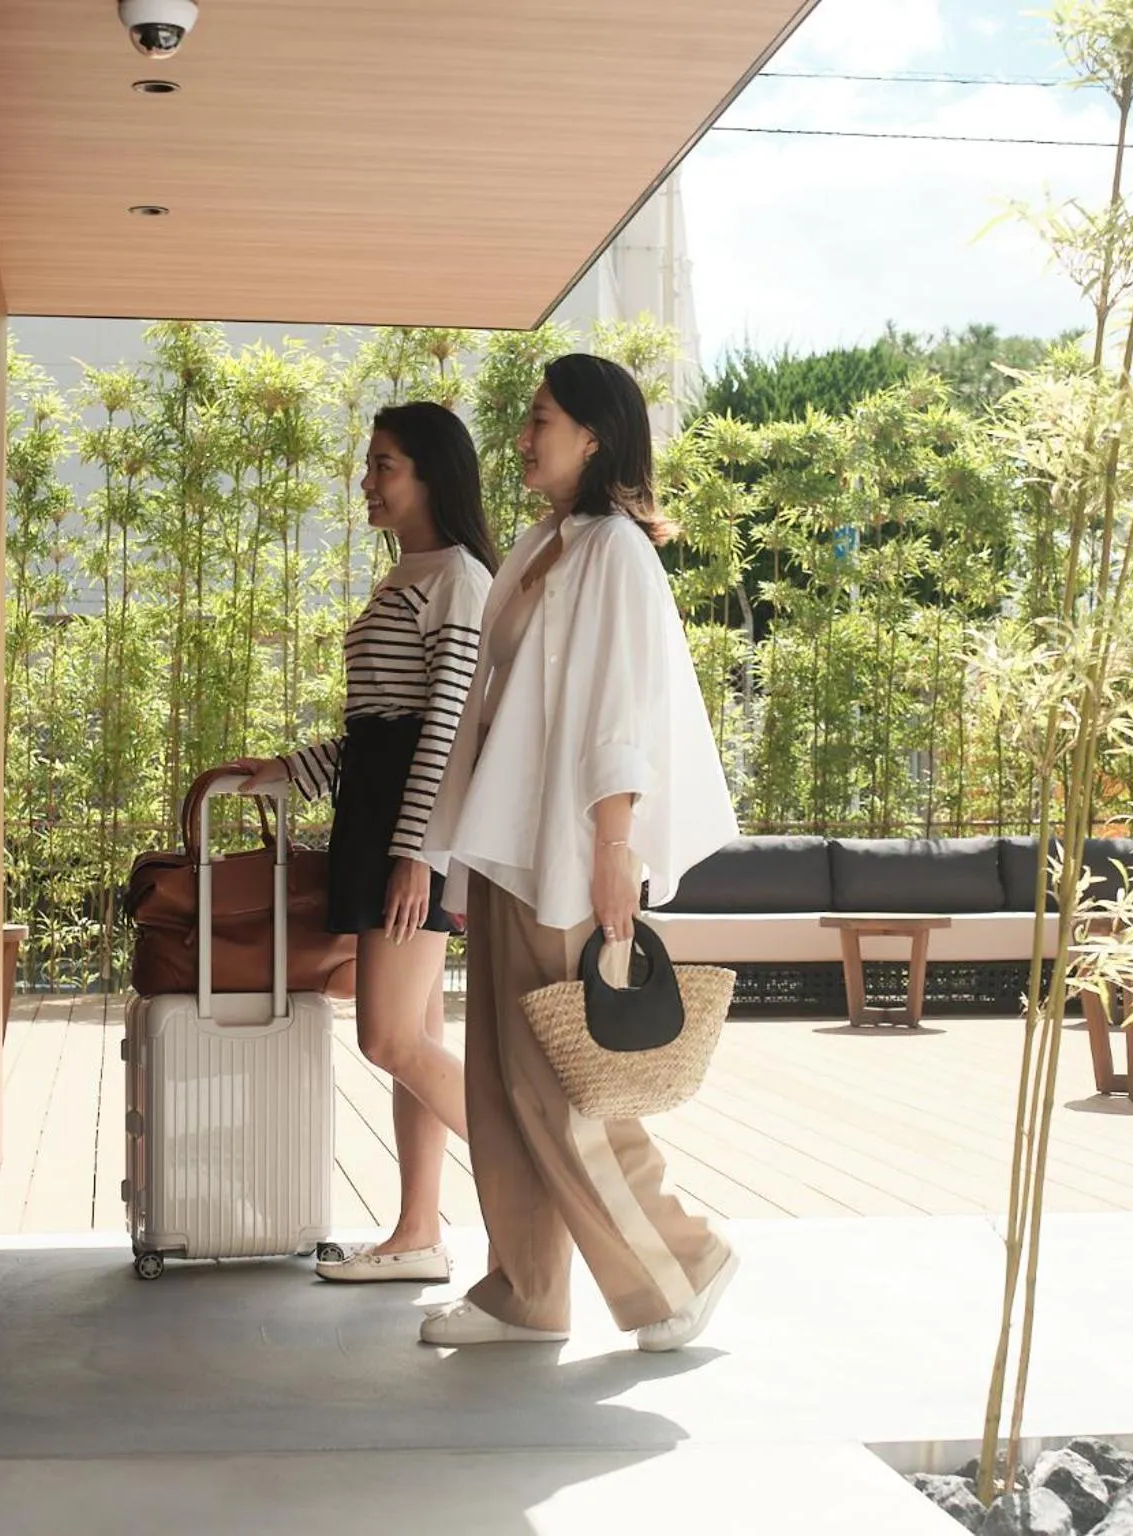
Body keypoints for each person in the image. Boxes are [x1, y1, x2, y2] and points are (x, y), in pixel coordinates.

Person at [415, 354, 741, 1352]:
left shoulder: (613, 553)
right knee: (503, 1084)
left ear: (593, 435)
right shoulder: (541, 544)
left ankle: (681, 1263)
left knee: (566, 1085)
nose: (522, 436)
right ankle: (526, 1291)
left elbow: (620, 711)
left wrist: (613, 845)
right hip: (511, 842)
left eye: (540, 418)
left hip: (565, 846)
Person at [229, 402, 495, 1284]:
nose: (367, 481)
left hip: (411, 832)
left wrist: (418, 854)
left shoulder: (458, 578)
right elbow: (375, 734)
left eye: (385, 465)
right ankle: (418, 1233)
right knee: (414, 1037)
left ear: (431, 474)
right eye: (370, 463)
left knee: (387, 1040)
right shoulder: (405, 577)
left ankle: (535, 1167)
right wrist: (290, 770)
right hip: (380, 820)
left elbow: (447, 730)